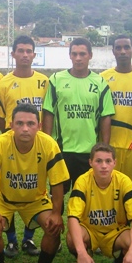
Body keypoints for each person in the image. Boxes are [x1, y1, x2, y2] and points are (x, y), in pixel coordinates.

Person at [0, 104, 70, 263]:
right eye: (20, 123)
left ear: (39, 126)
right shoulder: (0, 143)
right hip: (4, 198)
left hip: (35, 200)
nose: (25, 128)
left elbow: (58, 182)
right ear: (11, 125)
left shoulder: (48, 144)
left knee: (53, 228)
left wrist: (56, 213)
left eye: (30, 123)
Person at [0, 35, 48, 257]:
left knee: (34, 190)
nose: (25, 55)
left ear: (34, 54)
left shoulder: (45, 82)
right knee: (9, 189)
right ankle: (12, 241)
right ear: (13, 54)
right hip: (11, 147)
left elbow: (49, 113)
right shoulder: (3, 84)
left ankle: (28, 239)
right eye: (21, 50)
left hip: (38, 147)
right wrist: (10, 134)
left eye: (29, 51)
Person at [42, 37, 115, 193]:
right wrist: (47, 143)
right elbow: (48, 112)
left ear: (90, 55)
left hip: (89, 151)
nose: (78, 58)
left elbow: (105, 116)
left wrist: (104, 147)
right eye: (74, 54)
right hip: (62, 150)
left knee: (87, 196)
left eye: (82, 54)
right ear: (69, 55)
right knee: (57, 196)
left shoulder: (100, 83)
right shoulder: (56, 80)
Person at [66, 143, 132, 263]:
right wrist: (81, 252)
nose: (104, 166)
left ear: (114, 162)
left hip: (116, 232)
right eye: (98, 161)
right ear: (90, 163)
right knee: (72, 238)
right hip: (90, 230)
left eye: (108, 161)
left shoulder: (124, 181)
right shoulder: (82, 181)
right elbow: (73, 218)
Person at [100, 35, 132, 184]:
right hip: (109, 144)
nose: (122, 51)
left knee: (128, 189)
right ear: (113, 51)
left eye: (126, 47)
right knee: (106, 187)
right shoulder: (102, 78)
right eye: (118, 48)